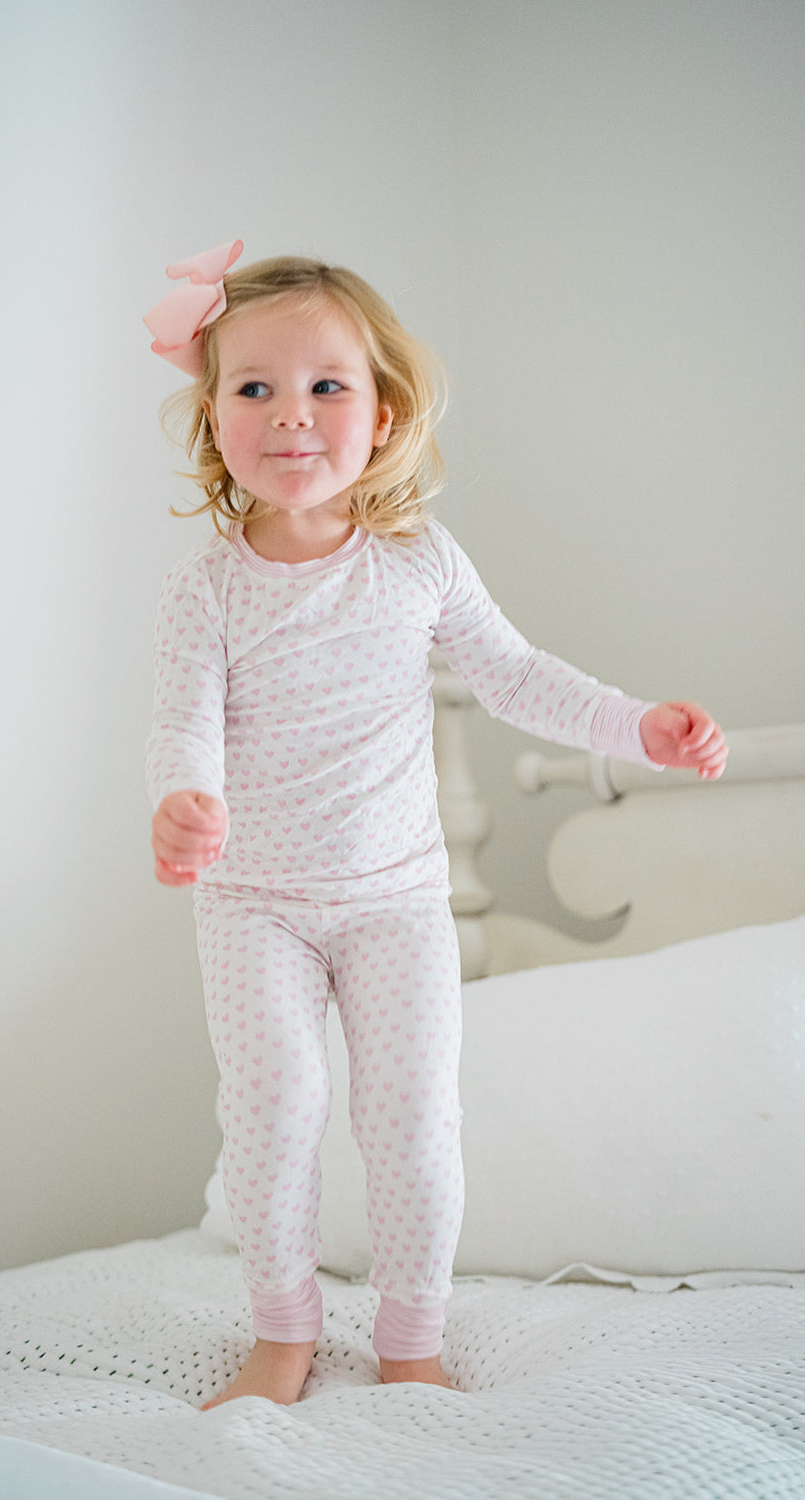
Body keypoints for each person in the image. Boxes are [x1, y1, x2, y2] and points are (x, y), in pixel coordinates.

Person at [143, 241, 727, 1410]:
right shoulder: (209, 588)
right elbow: (182, 723)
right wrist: (182, 802)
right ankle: (282, 1331)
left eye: (326, 385)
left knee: (412, 1120)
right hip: (255, 905)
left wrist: (635, 728)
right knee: (274, 1109)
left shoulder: (417, 562)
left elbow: (517, 675)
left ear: (383, 413)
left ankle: (411, 1337)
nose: (291, 413)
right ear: (213, 418)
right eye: (254, 386)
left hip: (397, 902)